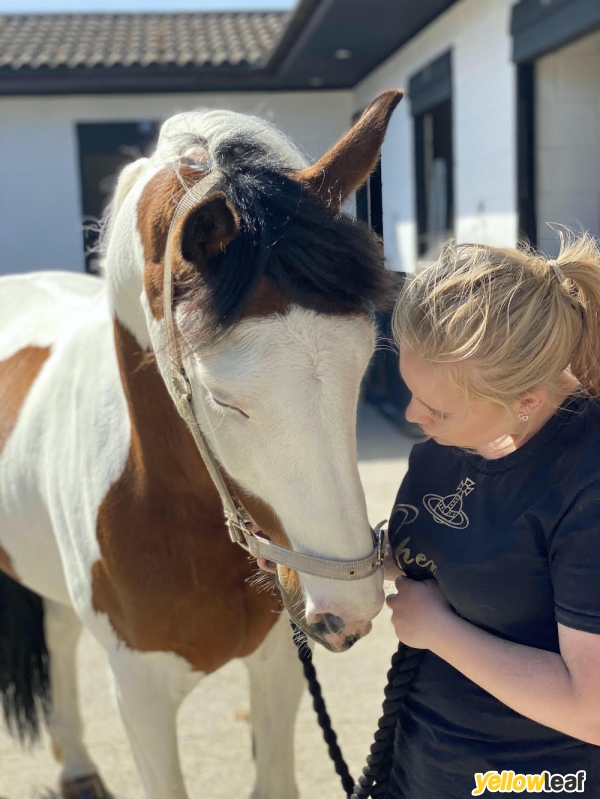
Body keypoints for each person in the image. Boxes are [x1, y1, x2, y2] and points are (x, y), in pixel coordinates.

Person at [384, 233, 600, 798]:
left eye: (435, 408)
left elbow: (592, 710)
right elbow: (447, 542)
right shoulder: (462, 437)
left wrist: (437, 630)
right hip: (423, 760)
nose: (412, 416)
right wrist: (340, 555)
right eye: (410, 391)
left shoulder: (588, 486)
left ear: (527, 400)